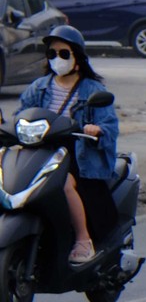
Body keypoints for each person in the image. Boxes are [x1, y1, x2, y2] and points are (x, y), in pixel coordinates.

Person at [17, 26, 120, 263]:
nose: (57, 59)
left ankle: (84, 241)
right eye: (52, 54)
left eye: (64, 53)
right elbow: (22, 115)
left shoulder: (93, 90)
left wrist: (97, 130)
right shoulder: (39, 87)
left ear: (77, 57)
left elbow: (110, 127)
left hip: (77, 153)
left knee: (62, 183)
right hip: (41, 150)